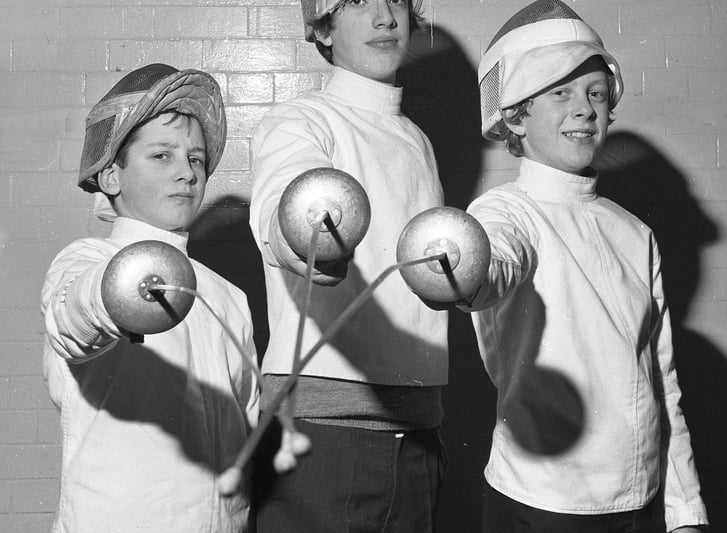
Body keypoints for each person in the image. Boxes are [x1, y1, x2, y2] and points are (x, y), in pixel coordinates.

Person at [462, 1, 710, 531]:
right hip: (542, 501)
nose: (584, 109)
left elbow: (660, 377)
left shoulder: (634, 231)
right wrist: (457, 267)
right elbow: (491, 263)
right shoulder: (505, 211)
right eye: (561, 92)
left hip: (638, 502)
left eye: (596, 93)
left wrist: (684, 509)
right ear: (514, 115)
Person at [248, 0, 447, 531]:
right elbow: (283, 206)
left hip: (418, 425)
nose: (386, 18)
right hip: (322, 426)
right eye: (360, 2)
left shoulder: (418, 141)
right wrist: (308, 242)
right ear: (324, 26)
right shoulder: (301, 120)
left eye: (397, 1)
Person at [41, 63, 259, 533]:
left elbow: (246, 419)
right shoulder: (85, 263)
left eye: (196, 159)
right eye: (162, 156)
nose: (186, 173)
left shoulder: (227, 296)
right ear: (112, 176)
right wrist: (113, 295)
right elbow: (72, 320)